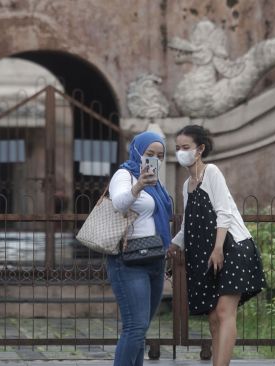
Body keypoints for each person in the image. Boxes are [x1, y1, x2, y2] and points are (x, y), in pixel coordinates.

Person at [167, 125, 266, 366]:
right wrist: (172, 246)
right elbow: (188, 225)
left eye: (186, 147)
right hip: (205, 254)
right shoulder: (186, 185)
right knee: (213, 318)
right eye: (178, 148)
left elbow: (224, 213)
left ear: (200, 149)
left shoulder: (212, 172)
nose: (181, 152)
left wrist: (218, 248)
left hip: (231, 248)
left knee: (223, 312)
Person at [107, 131, 173, 366]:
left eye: (159, 155)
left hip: (155, 258)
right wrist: (138, 186)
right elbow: (118, 203)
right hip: (129, 260)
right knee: (134, 328)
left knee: (140, 328)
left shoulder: (158, 185)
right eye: (149, 153)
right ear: (137, 151)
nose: (154, 158)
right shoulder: (124, 175)